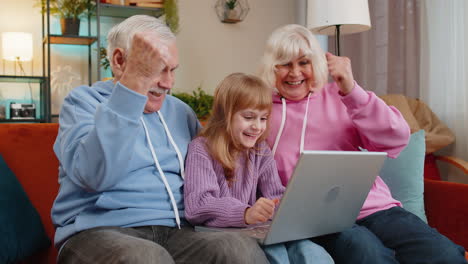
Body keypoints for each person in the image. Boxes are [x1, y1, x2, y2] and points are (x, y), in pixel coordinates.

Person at [51, 15, 269, 264]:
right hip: (98, 233)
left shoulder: (180, 112)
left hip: (178, 233)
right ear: (120, 61)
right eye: (157, 70)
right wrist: (132, 90)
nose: (168, 83)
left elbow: (216, 172)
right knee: (147, 257)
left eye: (172, 70)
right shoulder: (82, 103)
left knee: (238, 249)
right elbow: (95, 175)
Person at [258, 24, 468, 264]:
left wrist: (351, 89)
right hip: (317, 220)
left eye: (303, 62)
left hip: (376, 209)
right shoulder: (260, 111)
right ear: (271, 68)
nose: (295, 73)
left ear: (316, 64)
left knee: (445, 254)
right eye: (285, 64)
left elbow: (397, 138)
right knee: (368, 254)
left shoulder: (341, 96)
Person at [183, 72, 334, 264]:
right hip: (224, 232)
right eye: (248, 117)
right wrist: (245, 213)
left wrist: (294, 207)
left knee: (312, 252)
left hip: (256, 227)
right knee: (277, 255)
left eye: (263, 119)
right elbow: (199, 205)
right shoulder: (202, 149)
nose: (257, 127)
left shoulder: (259, 149)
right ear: (225, 115)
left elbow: (274, 194)